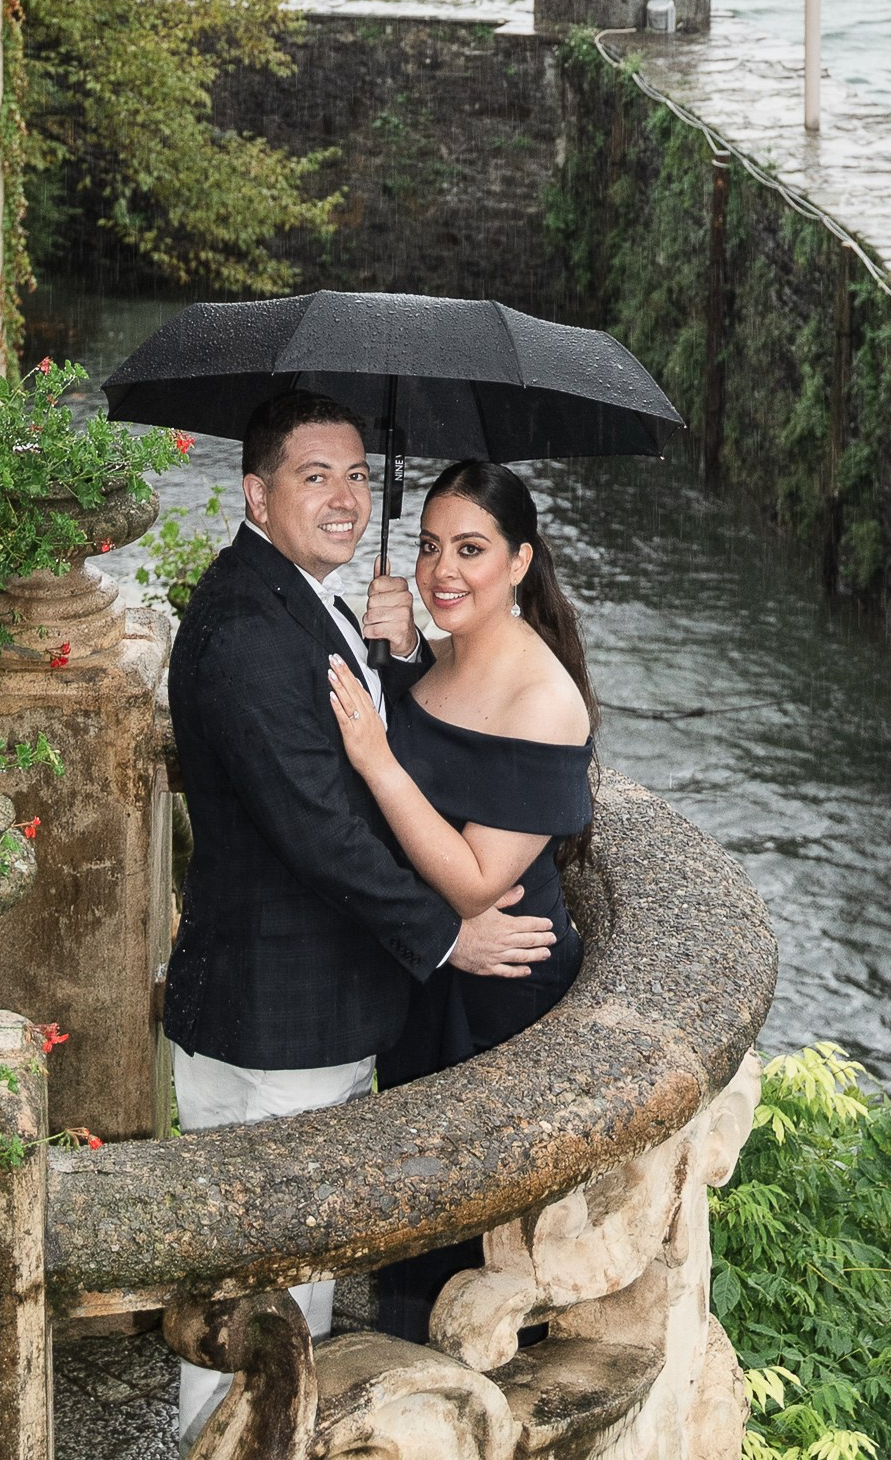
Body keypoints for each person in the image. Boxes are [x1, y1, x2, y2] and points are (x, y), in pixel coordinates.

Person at [162, 391, 559, 1438]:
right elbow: (320, 825)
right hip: (277, 1012)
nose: (344, 498)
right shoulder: (249, 629)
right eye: (313, 476)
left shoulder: (310, 598)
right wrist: (446, 933)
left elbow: (370, 757)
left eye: (354, 475)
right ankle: (221, 1443)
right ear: (255, 491)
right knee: (259, 1300)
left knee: (274, 1283)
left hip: (305, 1004)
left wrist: (392, 655)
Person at [324, 458, 596, 1345]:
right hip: (435, 971)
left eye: (471, 550)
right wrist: (403, 656)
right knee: (418, 1208)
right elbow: (441, 741)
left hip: (503, 991)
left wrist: (375, 755)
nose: (444, 571)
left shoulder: (543, 697)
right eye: (433, 545)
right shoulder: (445, 653)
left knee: (480, 1235)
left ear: (519, 562)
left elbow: (477, 879)